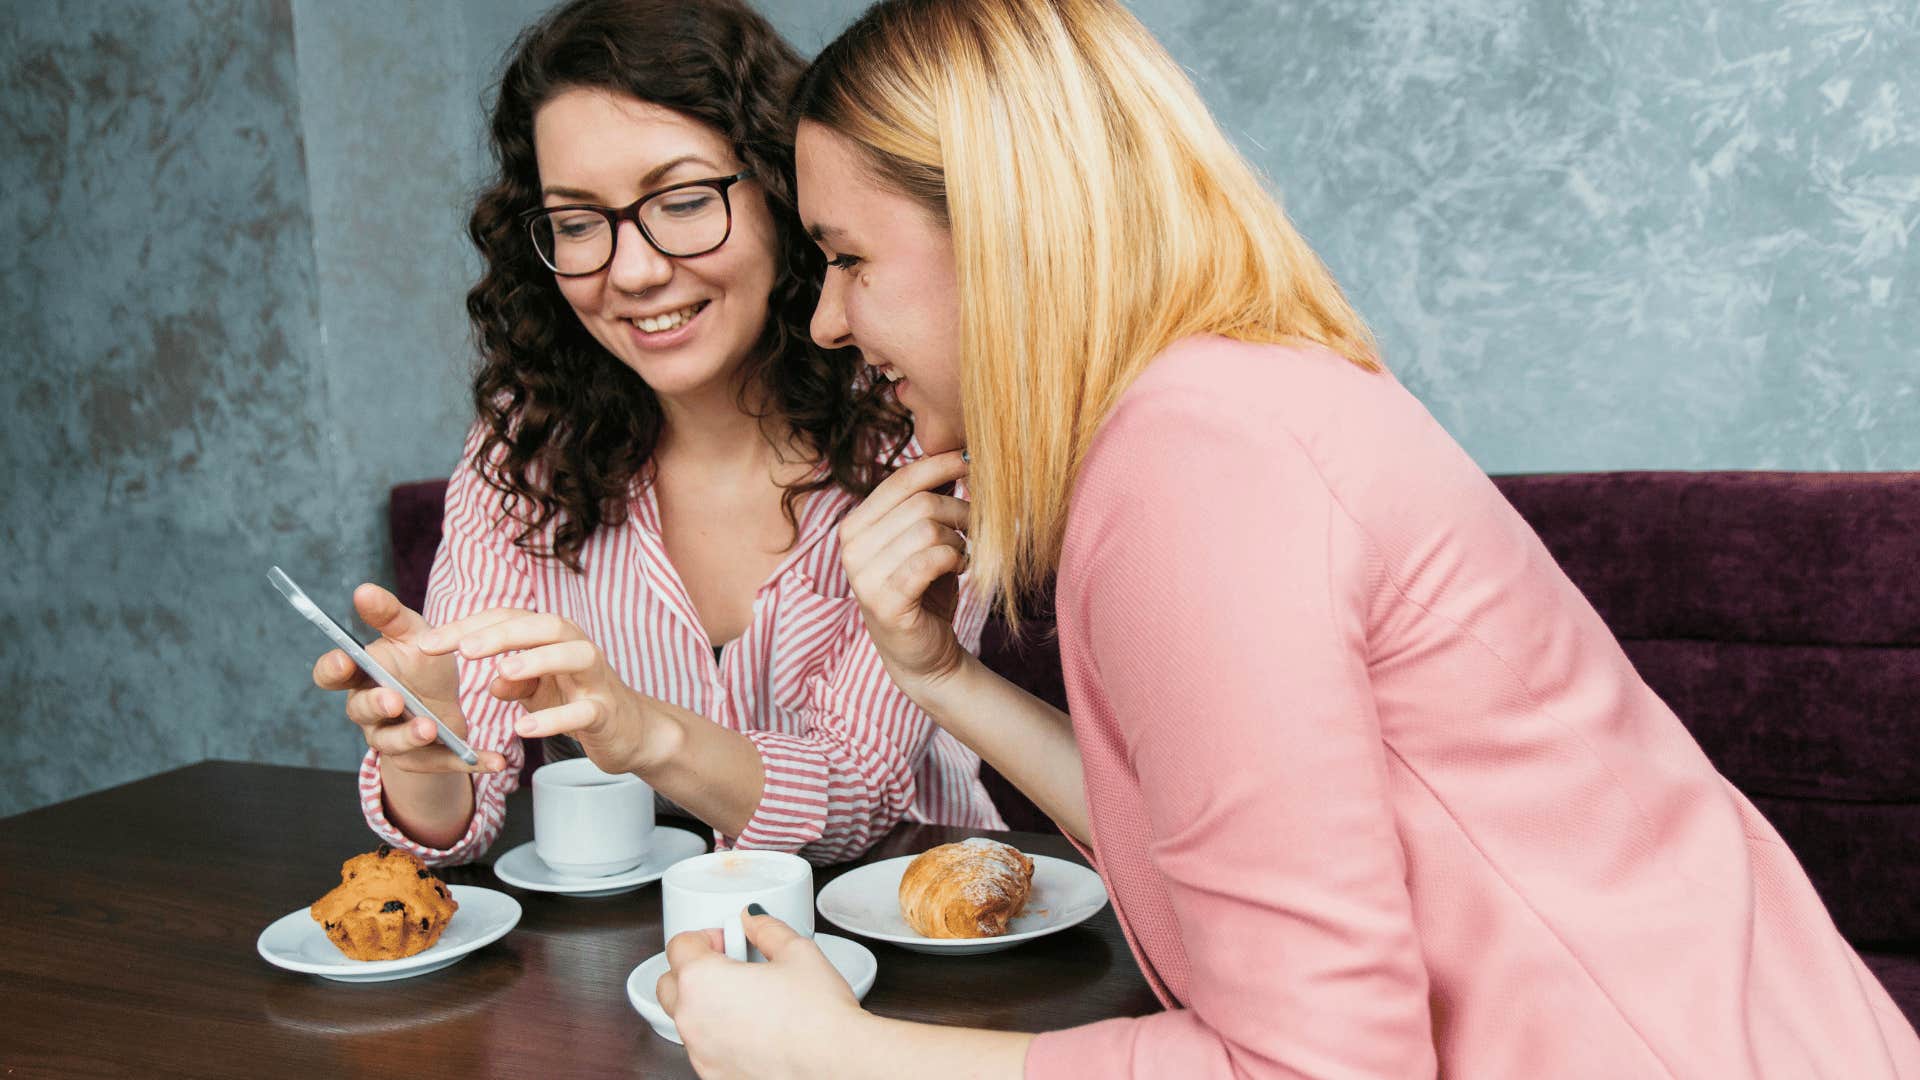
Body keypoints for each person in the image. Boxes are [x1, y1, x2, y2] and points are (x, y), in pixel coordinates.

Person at [656, 0, 1920, 1075]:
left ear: (1002, 232)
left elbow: (1316, 1067)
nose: (826, 320)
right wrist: (944, 680)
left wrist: (849, 1054)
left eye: (848, 257)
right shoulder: (1223, 408)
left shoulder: (1191, 472)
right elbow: (1223, 869)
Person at [309, 0, 1001, 869]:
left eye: (679, 201)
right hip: (641, 957)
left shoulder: (918, 421)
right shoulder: (524, 440)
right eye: (576, 222)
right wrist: (423, 750)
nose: (631, 271)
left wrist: (640, 731)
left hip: (920, 927)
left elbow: (853, 803)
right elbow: (459, 820)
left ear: (785, 195)